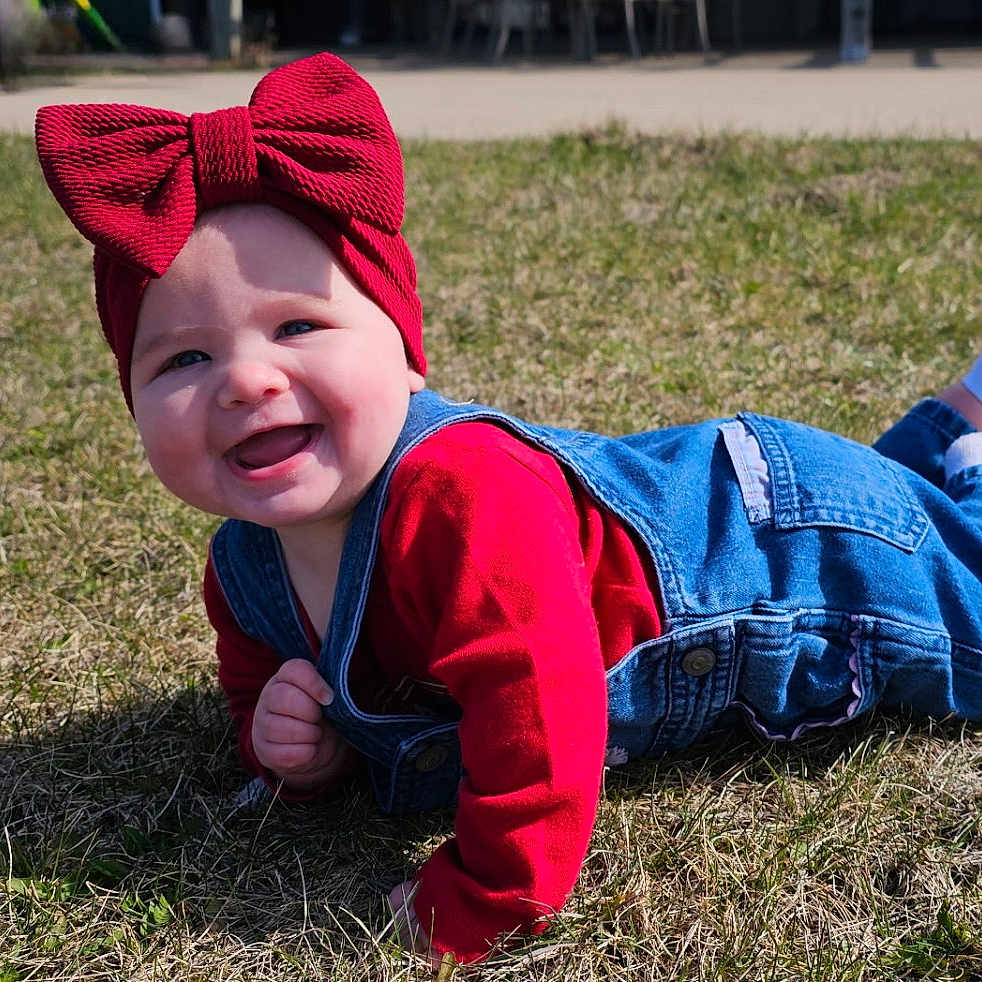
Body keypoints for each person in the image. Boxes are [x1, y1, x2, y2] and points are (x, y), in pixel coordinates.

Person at [34, 52, 982, 966]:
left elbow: (541, 717)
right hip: (760, 497)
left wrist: (483, 899)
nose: (246, 380)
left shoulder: (463, 495)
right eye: (183, 359)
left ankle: (963, 447)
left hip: (790, 551)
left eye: (298, 325)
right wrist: (288, 744)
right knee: (921, 508)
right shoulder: (243, 570)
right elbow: (256, 689)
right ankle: (953, 424)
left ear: (405, 354)